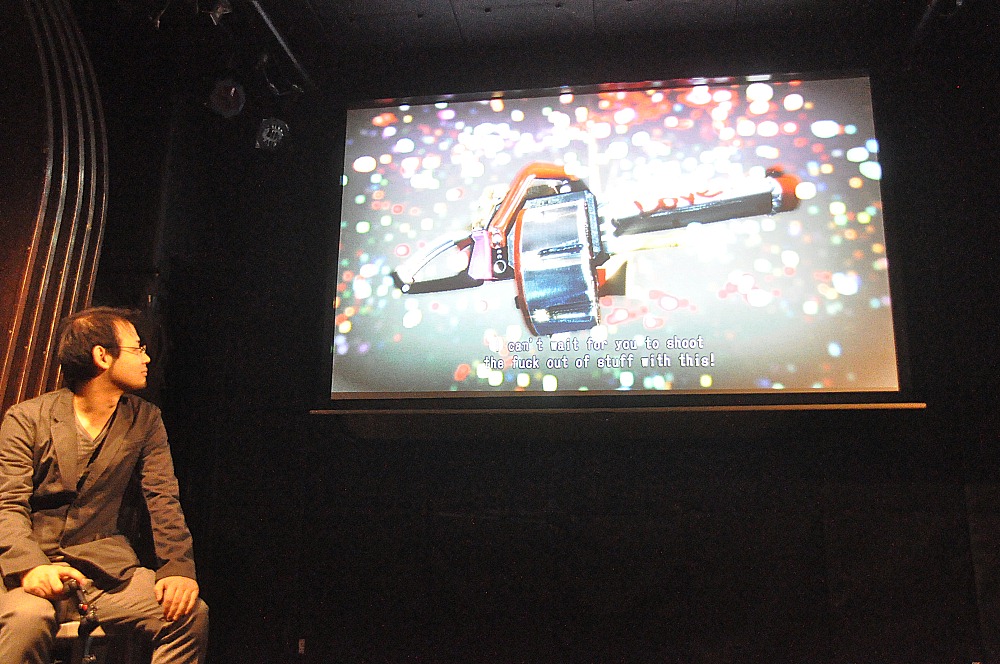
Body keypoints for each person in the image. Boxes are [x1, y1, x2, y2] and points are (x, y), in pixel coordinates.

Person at [0, 306, 208, 663]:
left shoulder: (145, 419)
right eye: (137, 349)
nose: (147, 358)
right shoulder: (27, 418)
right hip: (29, 570)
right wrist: (30, 567)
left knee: (188, 615)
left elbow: (163, 500)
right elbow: (7, 502)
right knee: (28, 620)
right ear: (102, 356)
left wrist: (177, 568)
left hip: (104, 574)